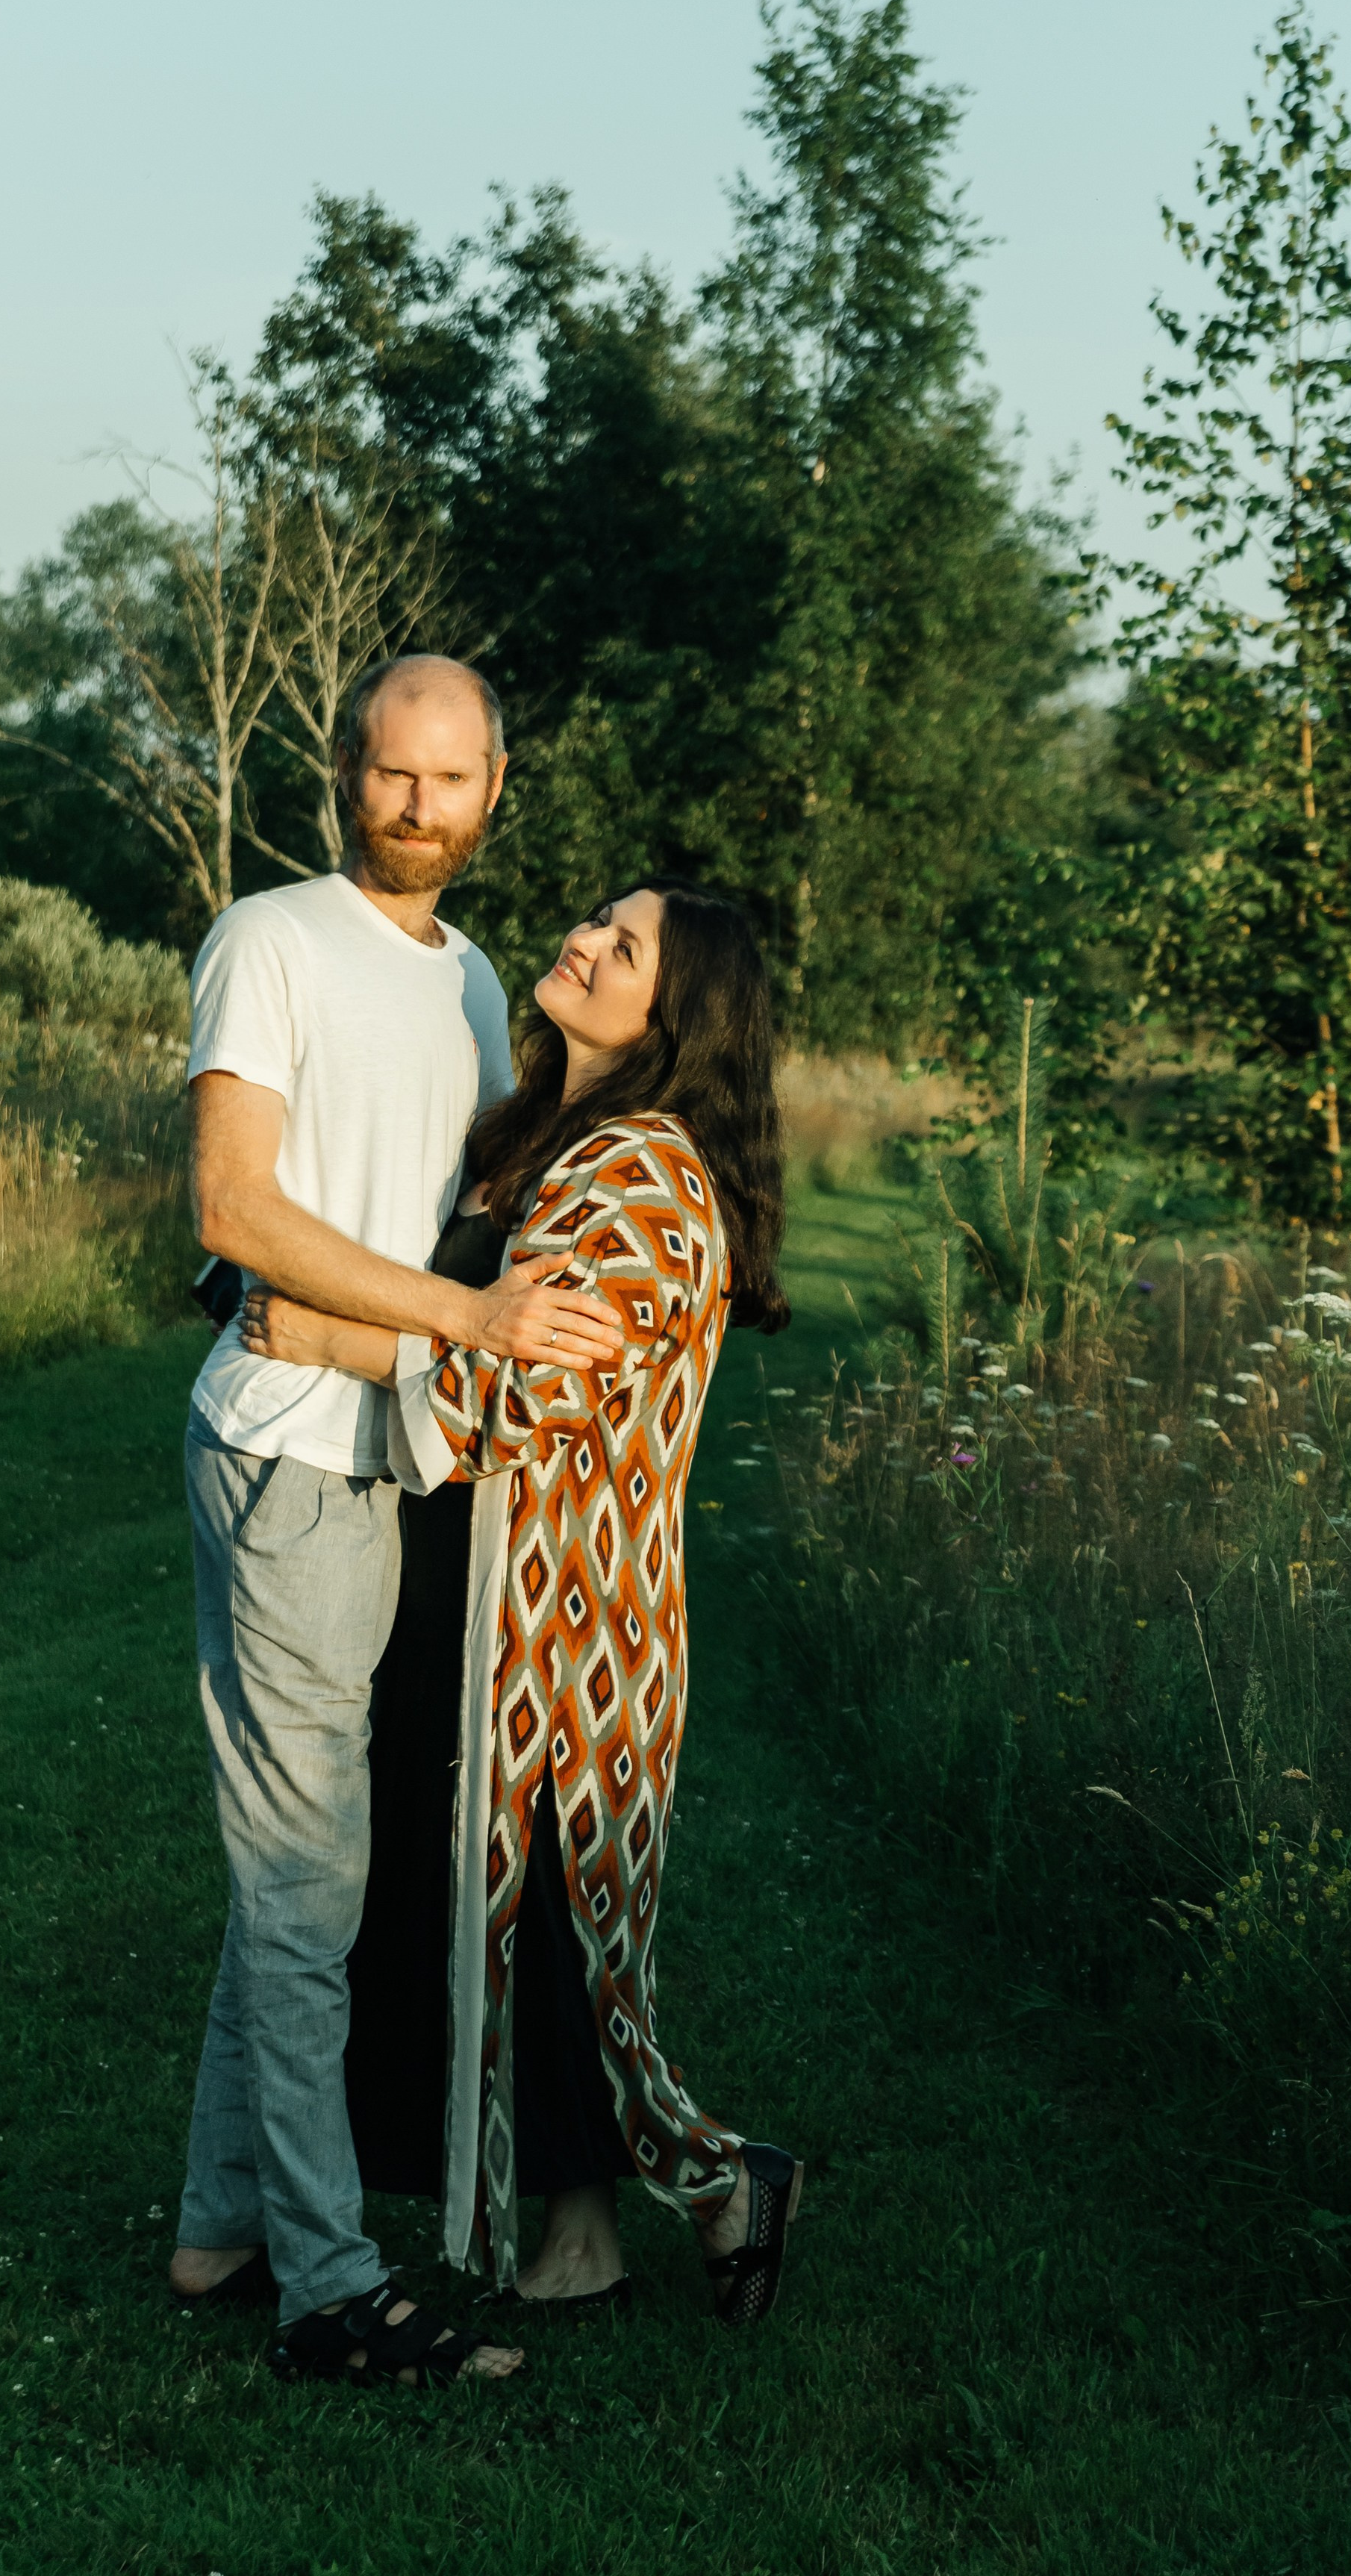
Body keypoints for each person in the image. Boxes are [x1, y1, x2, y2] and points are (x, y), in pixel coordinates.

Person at [242, 879, 808, 2327]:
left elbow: (523, 1394)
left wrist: (326, 1333)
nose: (586, 944)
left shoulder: (643, 1173)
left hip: (566, 1625)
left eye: (626, 951)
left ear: (673, 1016)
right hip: (501, 1592)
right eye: (599, 922)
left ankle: (720, 2175)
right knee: (527, 1929)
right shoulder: (557, 1137)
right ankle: (578, 2242)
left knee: (561, 1940)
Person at [169, 653, 623, 2389]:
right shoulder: (270, 940)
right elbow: (232, 1207)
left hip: (392, 1455)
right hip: (288, 1451)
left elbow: (471, 1226)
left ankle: (219, 2224)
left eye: (448, 778)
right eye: (387, 774)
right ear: (344, 773)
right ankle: (328, 2290)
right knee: (306, 1890)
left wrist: (471, 1327)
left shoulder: (482, 978)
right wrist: (465, 1329)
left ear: (494, 783)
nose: (414, 808)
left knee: (294, 1863)